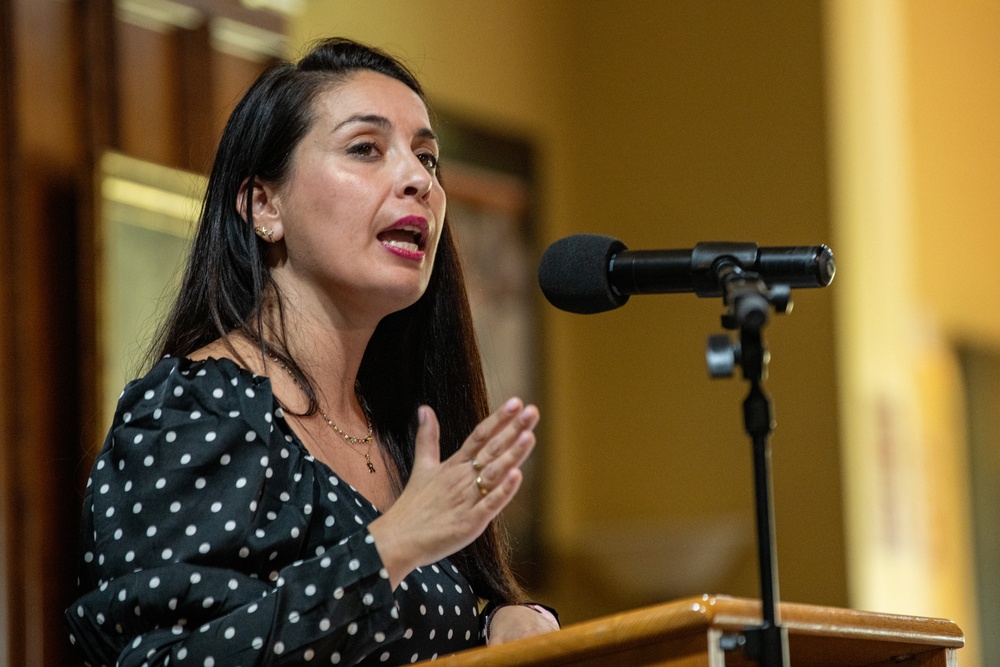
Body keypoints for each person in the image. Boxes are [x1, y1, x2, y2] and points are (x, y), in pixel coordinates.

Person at [66, 37, 559, 666]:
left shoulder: (400, 427)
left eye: (427, 159)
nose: (419, 181)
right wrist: (390, 547)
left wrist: (506, 617)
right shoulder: (198, 412)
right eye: (365, 149)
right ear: (264, 206)